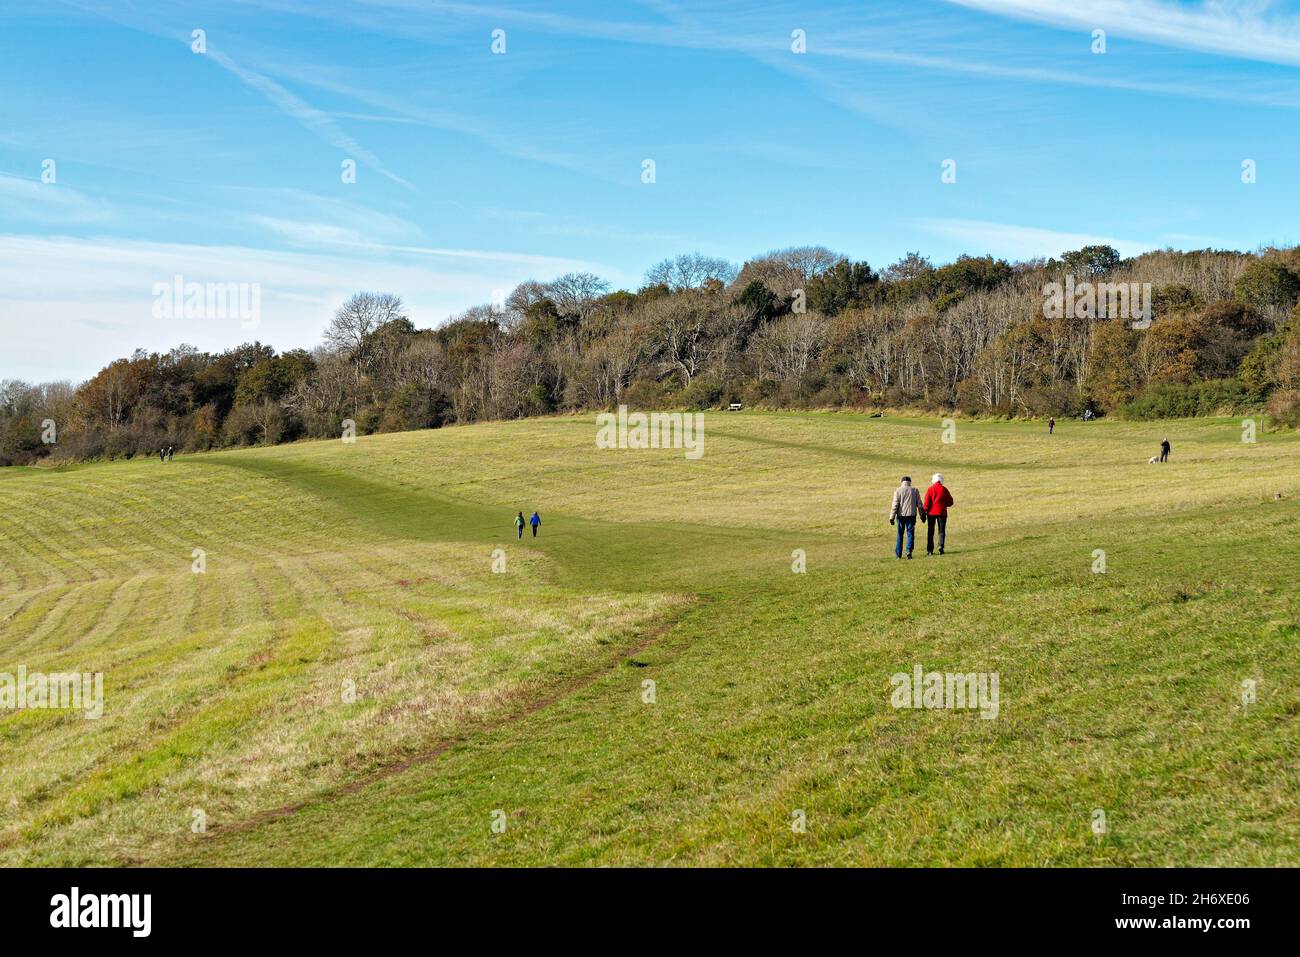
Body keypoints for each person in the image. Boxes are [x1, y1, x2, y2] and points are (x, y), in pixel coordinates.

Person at [889, 476, 922, 560]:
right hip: (911, 516)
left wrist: (891, 517)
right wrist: (922, 515)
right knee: (910, 534)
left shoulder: (898, 490)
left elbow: (895, 505)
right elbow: (919, 504)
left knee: (900, 535)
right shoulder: (915, 490)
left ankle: (898, 554)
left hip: (900, 516)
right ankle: (909, 551)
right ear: (910, 482)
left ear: (901, 482)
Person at [922, 473, 954, 556]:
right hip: (942, 512)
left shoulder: (930, 489)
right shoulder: (944, 489)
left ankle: (930, 550)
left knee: (930, 531)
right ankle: (940, 546)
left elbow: (926, 503)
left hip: (931, 513)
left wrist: (924, 511)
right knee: (941, 531)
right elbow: (950, 502)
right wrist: (944, 504)